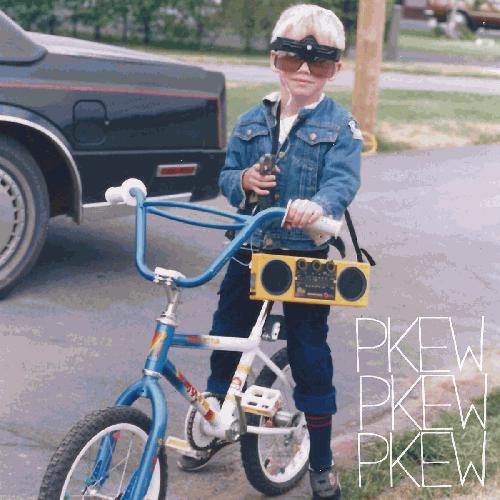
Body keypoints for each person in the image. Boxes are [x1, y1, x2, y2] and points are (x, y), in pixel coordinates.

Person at [177, 4, 363, 499]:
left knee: (309, 352)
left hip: (306, 257)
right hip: (250, 247)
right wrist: (242, 180)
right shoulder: (250, 122)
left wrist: (319, 205)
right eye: (292, 59)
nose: (304, 71)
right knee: (227, 337)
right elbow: (226, 176)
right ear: (274, 60)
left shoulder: (341, 127)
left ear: (335, 70)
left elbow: (343, 181)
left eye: (318, 62)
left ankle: (319, 459)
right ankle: (217, 422)